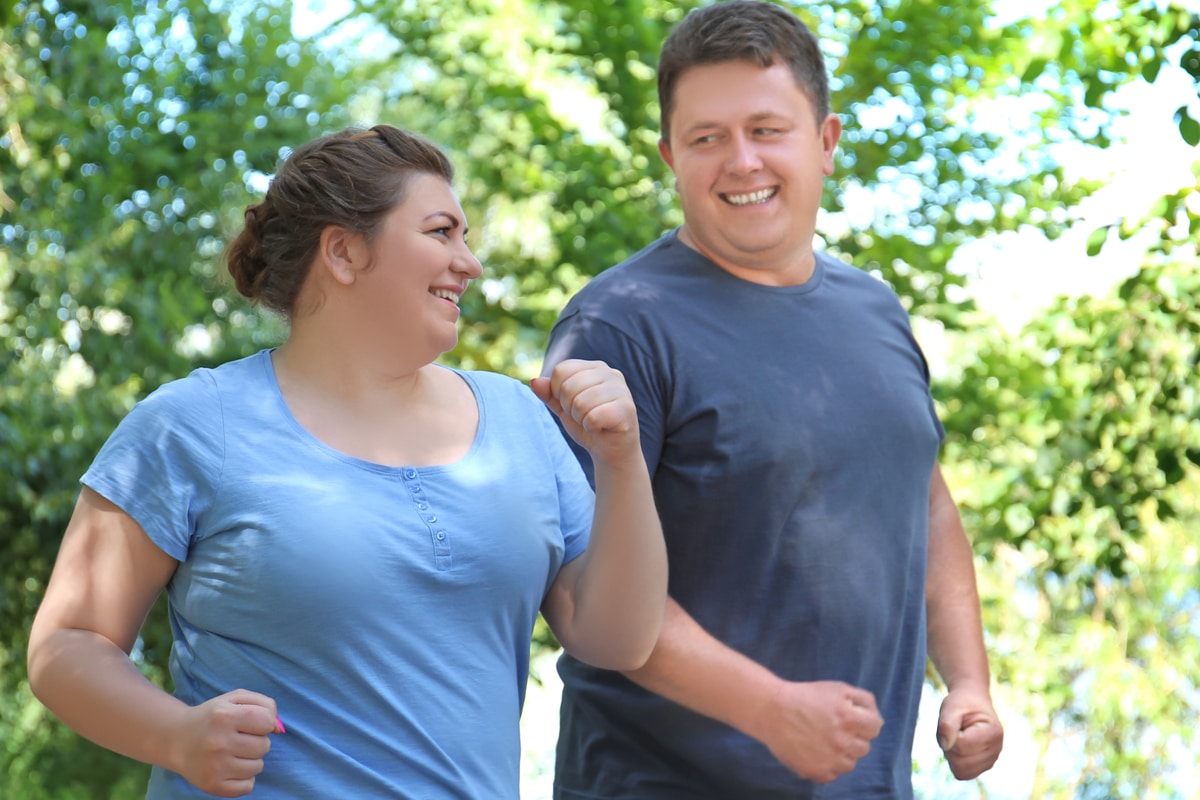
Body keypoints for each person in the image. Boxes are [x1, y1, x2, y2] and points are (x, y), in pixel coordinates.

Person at [27, 124, 667, 799]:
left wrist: (620, 459)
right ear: (343, 251)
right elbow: (68, 644)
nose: (470, 264)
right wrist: (176, 737)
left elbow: (618, 639)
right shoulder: (192, 424)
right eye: (442, 232)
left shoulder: (521, 420)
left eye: (466, 237)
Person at [541, 2, 1004, 797]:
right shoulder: (616, 325)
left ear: (825, 142)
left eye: (767, 129)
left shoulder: (876, 312)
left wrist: (968, 682)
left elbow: (925, 505)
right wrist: (768, 709)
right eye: (707, 138)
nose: (741, 161)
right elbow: (578, 584)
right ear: (670, 156)